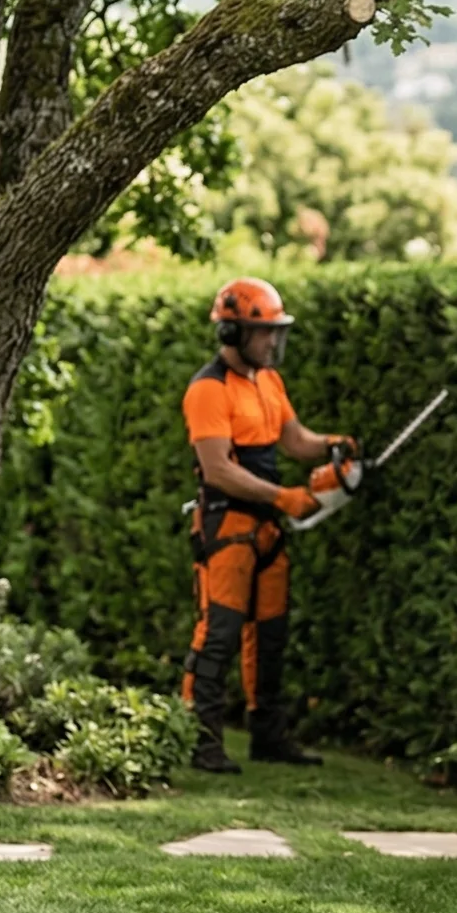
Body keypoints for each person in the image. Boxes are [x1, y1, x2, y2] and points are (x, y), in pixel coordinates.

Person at [181, 277, 358, 772]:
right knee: (219, 634)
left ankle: (268, 736)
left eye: (276, 332)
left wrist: (332, 446)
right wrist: (285, 497)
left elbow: (295, 440)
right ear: (232, 335)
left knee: (271, 634)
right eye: (264, 333)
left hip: (267, 530)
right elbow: (218, 468)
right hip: (226, 526)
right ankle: (201, 740)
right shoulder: (208, 390)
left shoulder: (269, 382)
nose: (273, 342)